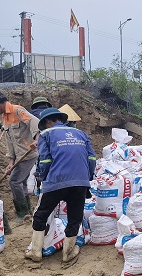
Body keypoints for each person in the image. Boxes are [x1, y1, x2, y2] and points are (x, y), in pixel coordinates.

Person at [26, 108, 96, 264]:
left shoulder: (46, 135)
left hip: (56, 181)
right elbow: (91, 158)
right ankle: (68, 253)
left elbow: (45, 161)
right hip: (80, 182)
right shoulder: (81, 134)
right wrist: (87, 178)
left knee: (41, 214)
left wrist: (43, 178)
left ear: (47, 122)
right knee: (74, 217)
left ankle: (36, 251)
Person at [0, 91, 40, 224]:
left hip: (28, 153)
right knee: (21, 182)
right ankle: (27, 211)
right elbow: (10, 141)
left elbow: (35, 121)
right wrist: (11, 161)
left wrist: (37, 139)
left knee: (14, 181)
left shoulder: (17, 110)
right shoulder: (4, 117)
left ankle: (22, 213)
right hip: (19, 155)